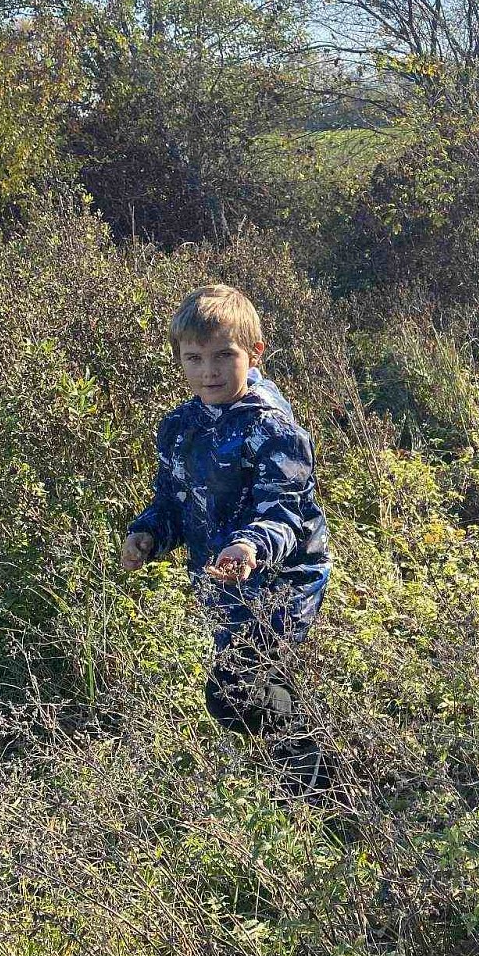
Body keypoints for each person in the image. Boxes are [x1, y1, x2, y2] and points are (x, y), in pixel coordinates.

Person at [120, 283, 333, 800]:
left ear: (254, 353)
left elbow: (284, 511)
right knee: (252, 689)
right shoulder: (180, 427)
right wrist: (147, 534)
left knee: (235, 689)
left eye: (223, 356)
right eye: (193, 358)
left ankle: (319, 787)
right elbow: (174, 501)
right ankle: (312, 768)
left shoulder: (273, 429)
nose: (208, 372)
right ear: (179, 359)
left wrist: (251, 547)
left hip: (282, 582)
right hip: (223, 584)